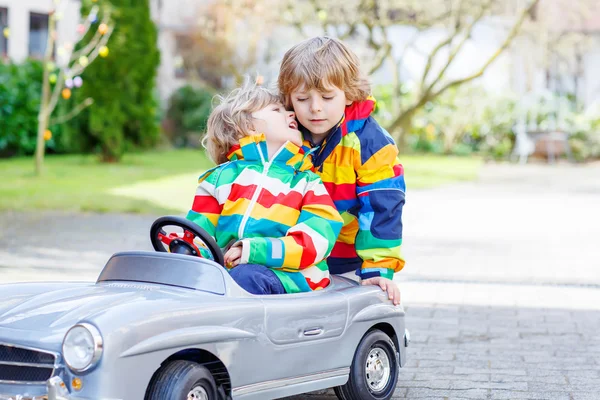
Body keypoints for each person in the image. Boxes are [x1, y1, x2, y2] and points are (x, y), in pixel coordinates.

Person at [278, 36, 406, 305]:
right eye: (302, 98)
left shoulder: (372, 145)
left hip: (347, 261)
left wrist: (377, 268)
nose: (315, 107)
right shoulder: (281, 135)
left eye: (327, 97)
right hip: (288, 253)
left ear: (349, 94)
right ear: (288, 99)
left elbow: (382, 208)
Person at [186, 81, 343, 295]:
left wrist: (254, 250)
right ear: (249, 126)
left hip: (291, 280)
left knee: (246, 277)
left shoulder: (307, 183)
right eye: (278, 110)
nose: (291, 115)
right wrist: (188, 252)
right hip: (231, 279)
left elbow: (317, 240)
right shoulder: (219, 180)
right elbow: (198, 234)